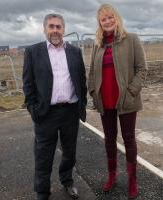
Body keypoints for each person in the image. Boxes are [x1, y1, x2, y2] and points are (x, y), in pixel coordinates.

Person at [22, 13, 87, 200]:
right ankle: (42, 192)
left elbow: (81, 80)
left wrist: (81, 105)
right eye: (51, 26)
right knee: (43, 155)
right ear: (45, 29)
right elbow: (28, 83)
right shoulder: (33, 52)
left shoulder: (75, 52)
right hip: (46, 113)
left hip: (70, 112)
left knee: (69, 151)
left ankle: (67, 181)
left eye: (58, 27)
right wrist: (33, 108)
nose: (55, 30)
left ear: (63, 29)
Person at [88, 4, 147, 199]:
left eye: (110, 17)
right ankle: (112, 176)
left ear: (116, 18)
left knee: (129, 140)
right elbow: (91, 73)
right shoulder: (97, 45)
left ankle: (132, 182)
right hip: (105, 103)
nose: (107, 21)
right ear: (99, 23)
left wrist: (131, 91)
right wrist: (93, 92)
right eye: (103, 19)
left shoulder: (131, 39)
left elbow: (141, 69)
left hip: (126, 101)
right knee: (109, 140)